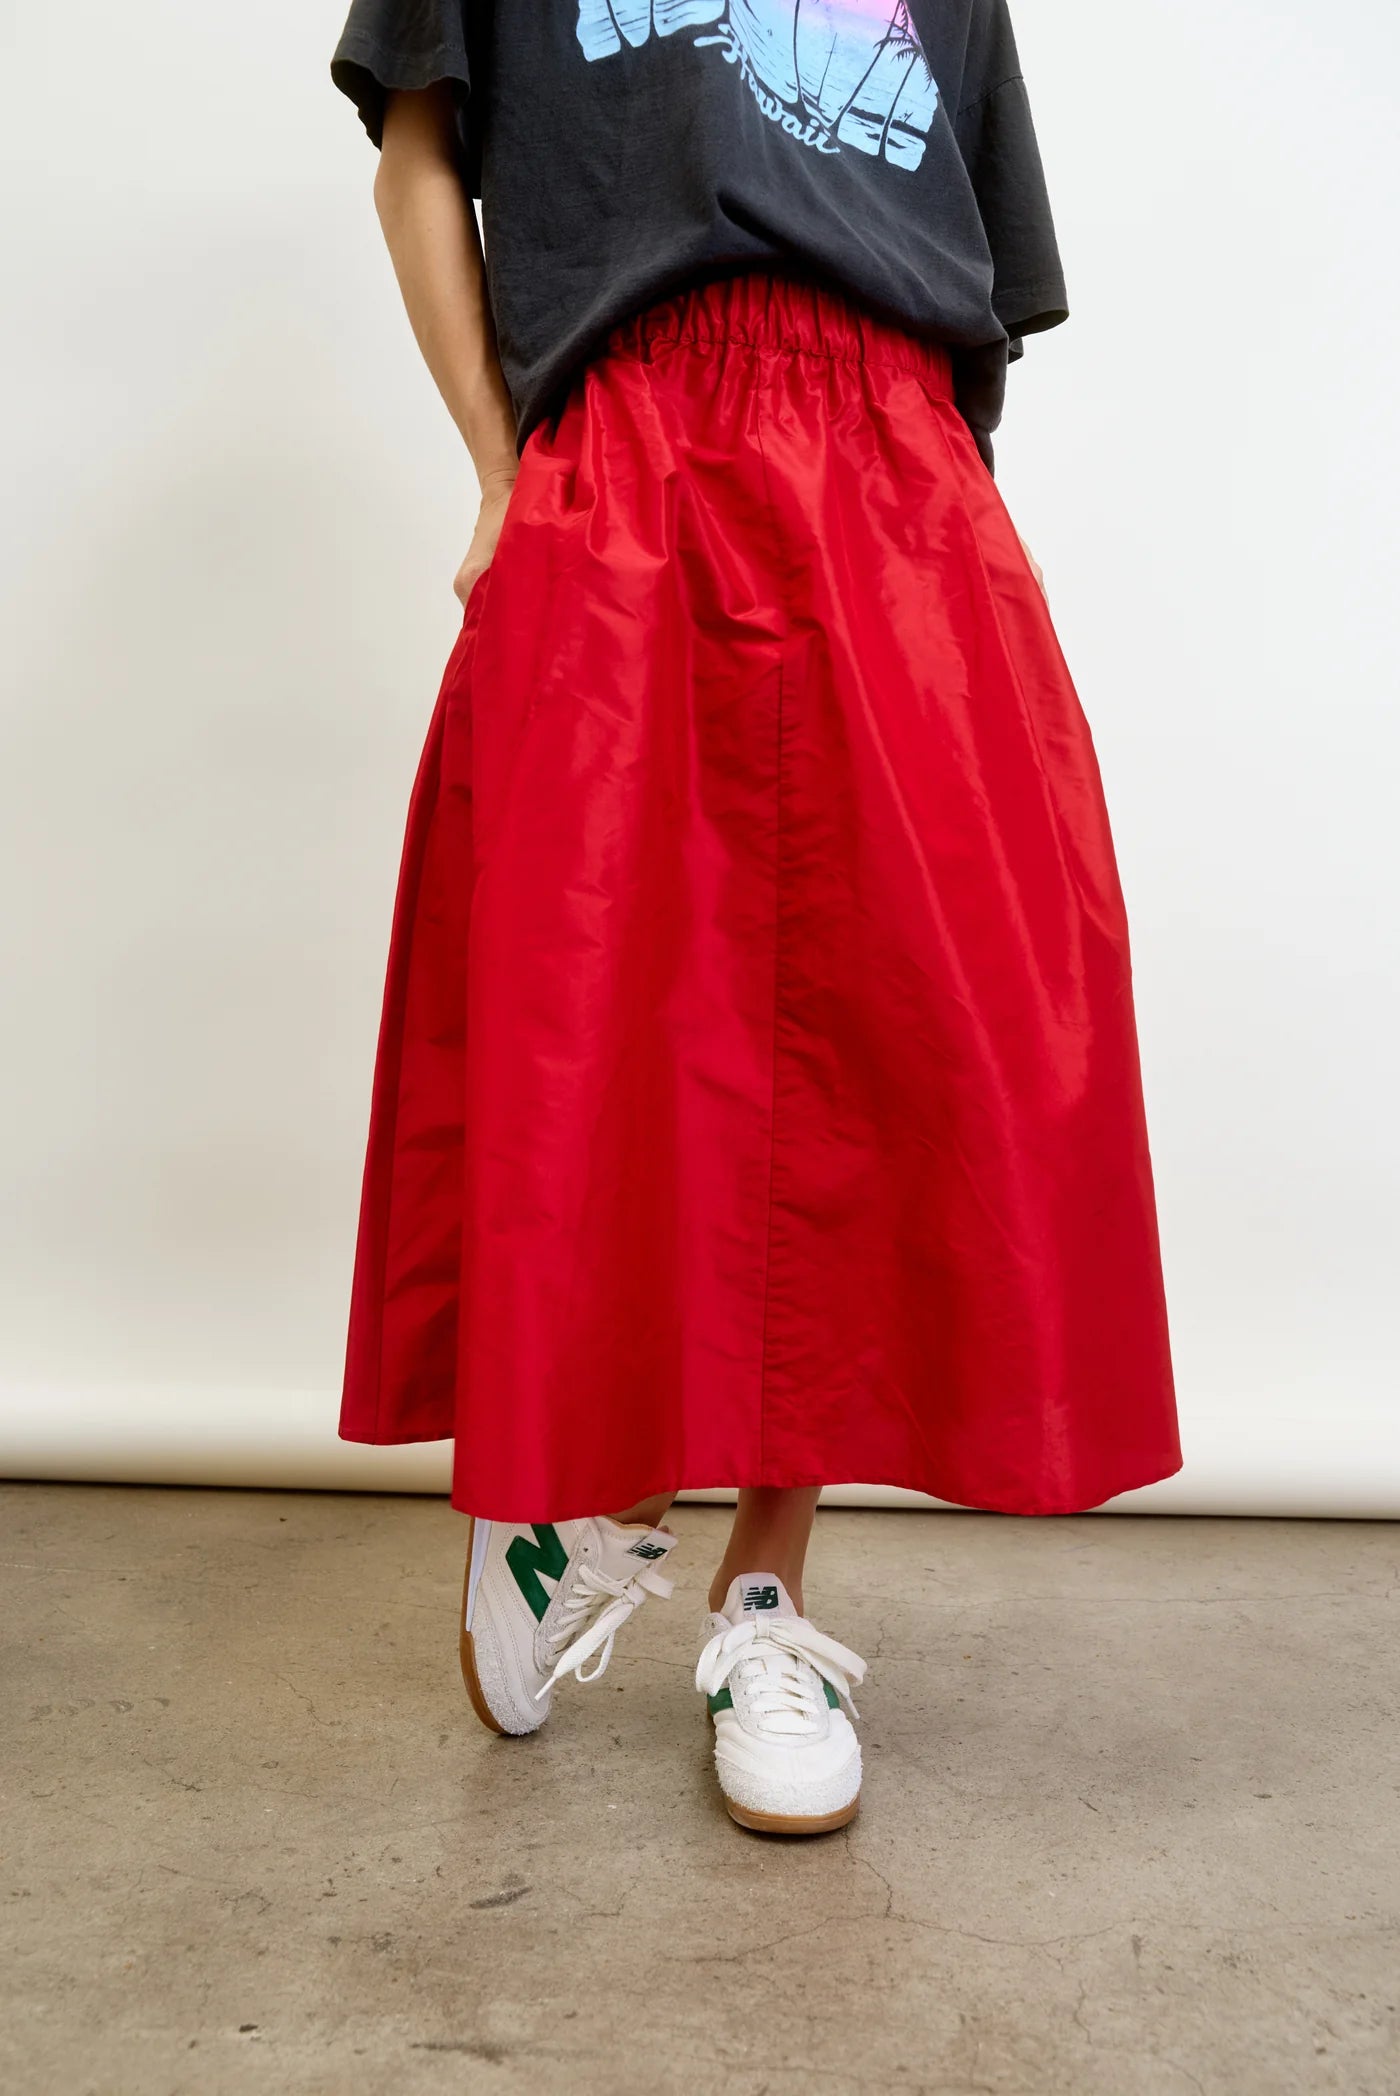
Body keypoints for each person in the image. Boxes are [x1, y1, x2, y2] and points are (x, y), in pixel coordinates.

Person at [330, 0, 1182, 1837]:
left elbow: (969, 295)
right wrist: (498, 458)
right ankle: (574, 1489)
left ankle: (765, 1600)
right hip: (629, 446)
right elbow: (419, 146)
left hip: (888, 468)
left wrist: (935, 530)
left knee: (881, 1038)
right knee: (601, 1014)